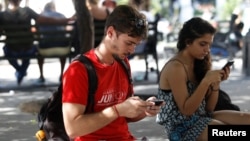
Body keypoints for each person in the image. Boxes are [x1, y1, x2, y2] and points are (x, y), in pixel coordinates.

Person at [62, 5, 164, 141]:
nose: (132, 50)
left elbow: (124, 116)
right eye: (129, 43)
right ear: (110, 33)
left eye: (136, 44)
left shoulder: (123, 63)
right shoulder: (79, 70)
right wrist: (117, 110)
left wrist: (144, 110)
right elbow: (72, 128)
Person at [156, 17, 250, 141]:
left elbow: (208, 109)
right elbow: (187, 110)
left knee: (246, 119)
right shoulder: (176, 67)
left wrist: (215, 85)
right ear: (188, 42)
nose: (207, 49)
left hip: (200, 117)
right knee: (231, 133)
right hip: (181, 128)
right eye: (202, 44)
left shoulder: (198, 62)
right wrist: (206, 82)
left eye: (209, 44)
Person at [0, 0, 73, 85]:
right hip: (28, 49)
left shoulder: (2, 15)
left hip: (11, 50)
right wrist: (67, 20)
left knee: (7, 51)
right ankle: (22, 71)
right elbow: (45, 20)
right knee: (31, 50)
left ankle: (21, 71)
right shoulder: (27, 11)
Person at [37, 2, 70, 83]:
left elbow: (37, 31)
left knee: (38, 50)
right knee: (62, 43)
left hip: (45, 49)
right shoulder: (61, 15)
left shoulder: (40, 16)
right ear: (54, 7)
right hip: (63, 49)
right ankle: (61, 74)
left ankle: (41, 75)